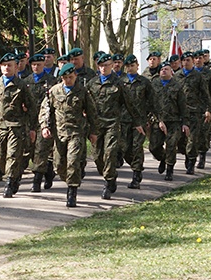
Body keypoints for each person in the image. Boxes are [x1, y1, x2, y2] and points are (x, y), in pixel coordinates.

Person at [40, 63, 98, 207]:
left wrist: (93, 132)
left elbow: (92, 113)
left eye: (70, 77)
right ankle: (71, 180)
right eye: (65, 78)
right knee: (59, 166)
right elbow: (45, 110)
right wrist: (44, 127)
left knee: (72, 162)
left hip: (76, 133)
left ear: (75, 76)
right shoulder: (54, 91)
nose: (68, 80)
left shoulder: (82, 91)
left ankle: (72, 192)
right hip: (59, 134)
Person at [0, 52, 38, 198]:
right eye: (4, 65)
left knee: (13, 155)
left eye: (10, 65)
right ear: (0, 67)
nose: (7, 68)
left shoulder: (21, 85)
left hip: (16, 126)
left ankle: (10, 182)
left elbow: (31, 107)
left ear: (15, 67)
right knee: (0, 158)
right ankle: (16, 174)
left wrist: (32, 128)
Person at [87, 54, 144, 199]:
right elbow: (84, 102)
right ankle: (109, 175)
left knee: (110, 153)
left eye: (106, 65)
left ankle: (109, 181)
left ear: (111, 65)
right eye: (101, 66)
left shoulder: (118, 84)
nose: (103, 68)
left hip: (112, 124)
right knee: (97, 157)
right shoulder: (92, 83)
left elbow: (129, 104)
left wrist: (138, 122)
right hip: (96, 125)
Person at [22, 53, 57, 192]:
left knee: (41, 151)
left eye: (39, 64)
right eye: (34, 65)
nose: (36, 67)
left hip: (45, 121)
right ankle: (48, 171)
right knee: (30, 150)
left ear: (43, 64)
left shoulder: (52, 81)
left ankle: (36, 181)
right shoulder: (25, 82)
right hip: (29, 121)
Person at [149, 64, 190, 181]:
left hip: (174, 121)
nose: (163, 71)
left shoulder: (177, 86)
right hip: (158, 120)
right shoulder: (154, 84)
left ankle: (169, 170)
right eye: (161, 69)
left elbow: (183, 106)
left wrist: (185, 123)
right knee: (154, 147)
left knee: (171, 145)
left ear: (171, 72)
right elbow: (150, 104)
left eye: (166, 69)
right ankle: (162, 158)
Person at [119, 55, 154, 189]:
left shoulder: (144, 82)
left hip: (140, 120)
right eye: (127, 66)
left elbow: (151, 101)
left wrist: (150, 118)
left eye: (132, 65)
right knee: (125, 148)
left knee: (136, 147)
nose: (129, 68)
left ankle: (136, 174)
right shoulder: (121, 81)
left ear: (137, 66)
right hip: (124, 119)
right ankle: (135, 166)